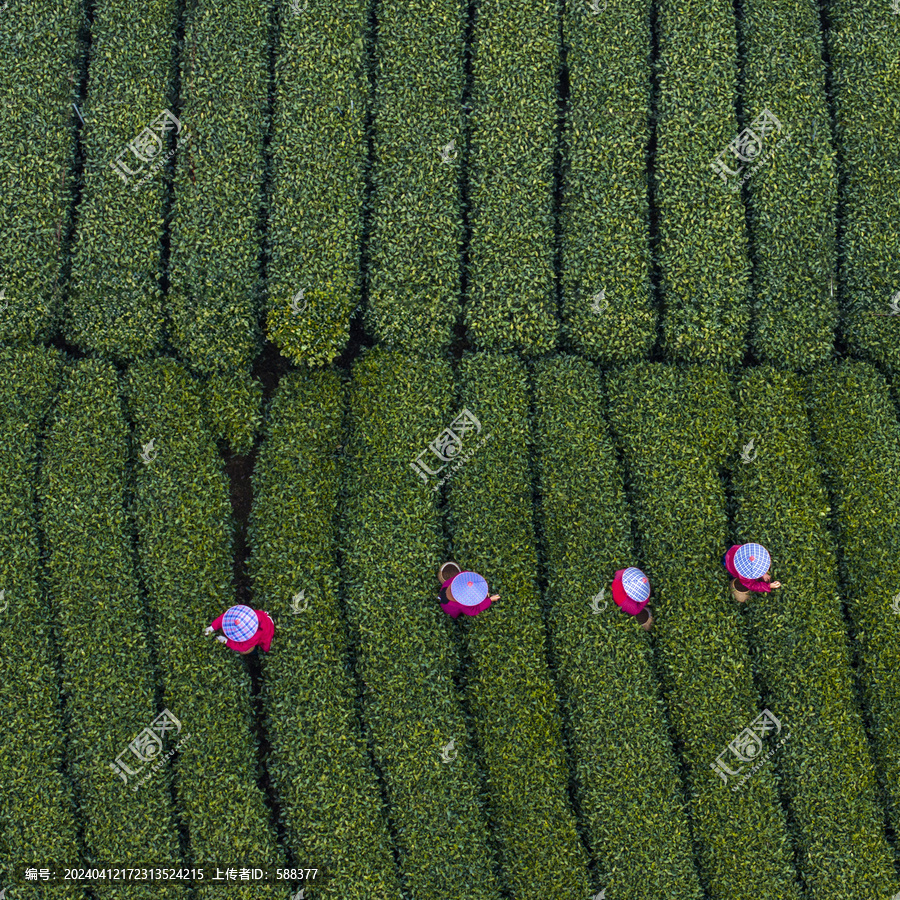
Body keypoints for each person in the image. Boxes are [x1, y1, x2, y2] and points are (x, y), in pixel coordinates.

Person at [205, 604, 275, 654]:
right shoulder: (247, 615)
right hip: (264, 618)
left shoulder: (253, 637)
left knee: (246, 651)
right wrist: (212, 627)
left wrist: (227, 642)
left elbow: (243, 647)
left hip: (266, 633)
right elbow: (225, 618)